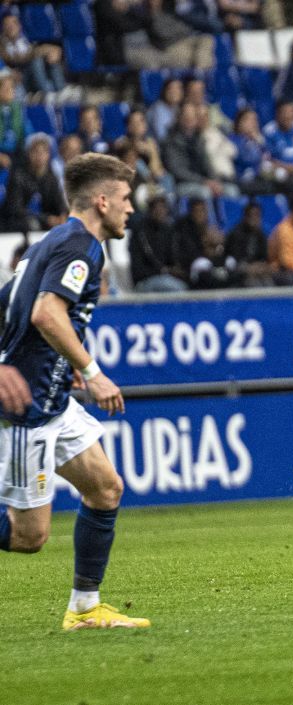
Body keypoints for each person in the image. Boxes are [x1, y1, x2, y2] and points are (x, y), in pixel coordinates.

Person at [0, 153, 150, 629]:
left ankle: (85, 609)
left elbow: (8, 304)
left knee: (105, 489)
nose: (131, 209)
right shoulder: (80, 246)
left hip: (52, 401)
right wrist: (93, 370)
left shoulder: (55, 241)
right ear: (102, 201)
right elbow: (46, 314)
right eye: (126, 199)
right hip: (29, 408)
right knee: (29, 537)